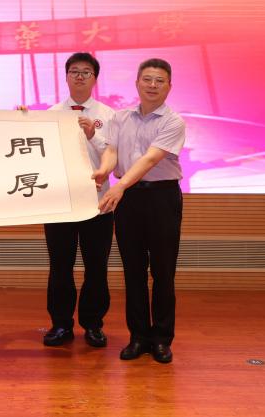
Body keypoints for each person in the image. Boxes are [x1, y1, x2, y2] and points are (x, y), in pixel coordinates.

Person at [92, 58, 185, 364]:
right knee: (133, 271)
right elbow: (112, 151)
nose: (152, 85)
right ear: (137, 83)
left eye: (160, 81)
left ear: (169, 86)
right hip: (129, 200)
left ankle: (161, 339)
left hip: (162, 198)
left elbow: (150, 159)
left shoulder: (173, 121)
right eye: (147, 79)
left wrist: (118, 186)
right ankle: (138, 337)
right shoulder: (120, 118)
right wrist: (104, 171)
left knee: (162, 272)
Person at [42, 52, 115, 347]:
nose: (80, 76)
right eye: (74, 71)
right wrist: (22, 122)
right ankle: (60, 324)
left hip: (98, 203)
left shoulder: (109, 115)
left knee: (96, 267)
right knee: (60, 266)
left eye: (86, 72)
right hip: (60, 202)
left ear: (95, 78)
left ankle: (93, 325)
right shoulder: (50, 114)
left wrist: (92, 134)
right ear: (66, 76)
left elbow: (114, 154)